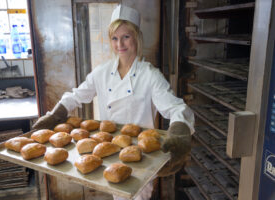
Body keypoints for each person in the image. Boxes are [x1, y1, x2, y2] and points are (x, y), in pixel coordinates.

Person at [33, 4, 194, 200]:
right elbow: (77, 95)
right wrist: (56, 114)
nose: (120, 44)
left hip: (140, 157)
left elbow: (175, 107)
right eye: (115, 38)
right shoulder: (102, 72)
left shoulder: (149, 75)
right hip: (109, 153)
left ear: (137, 37)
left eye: (126, 36)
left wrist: (179, 133)